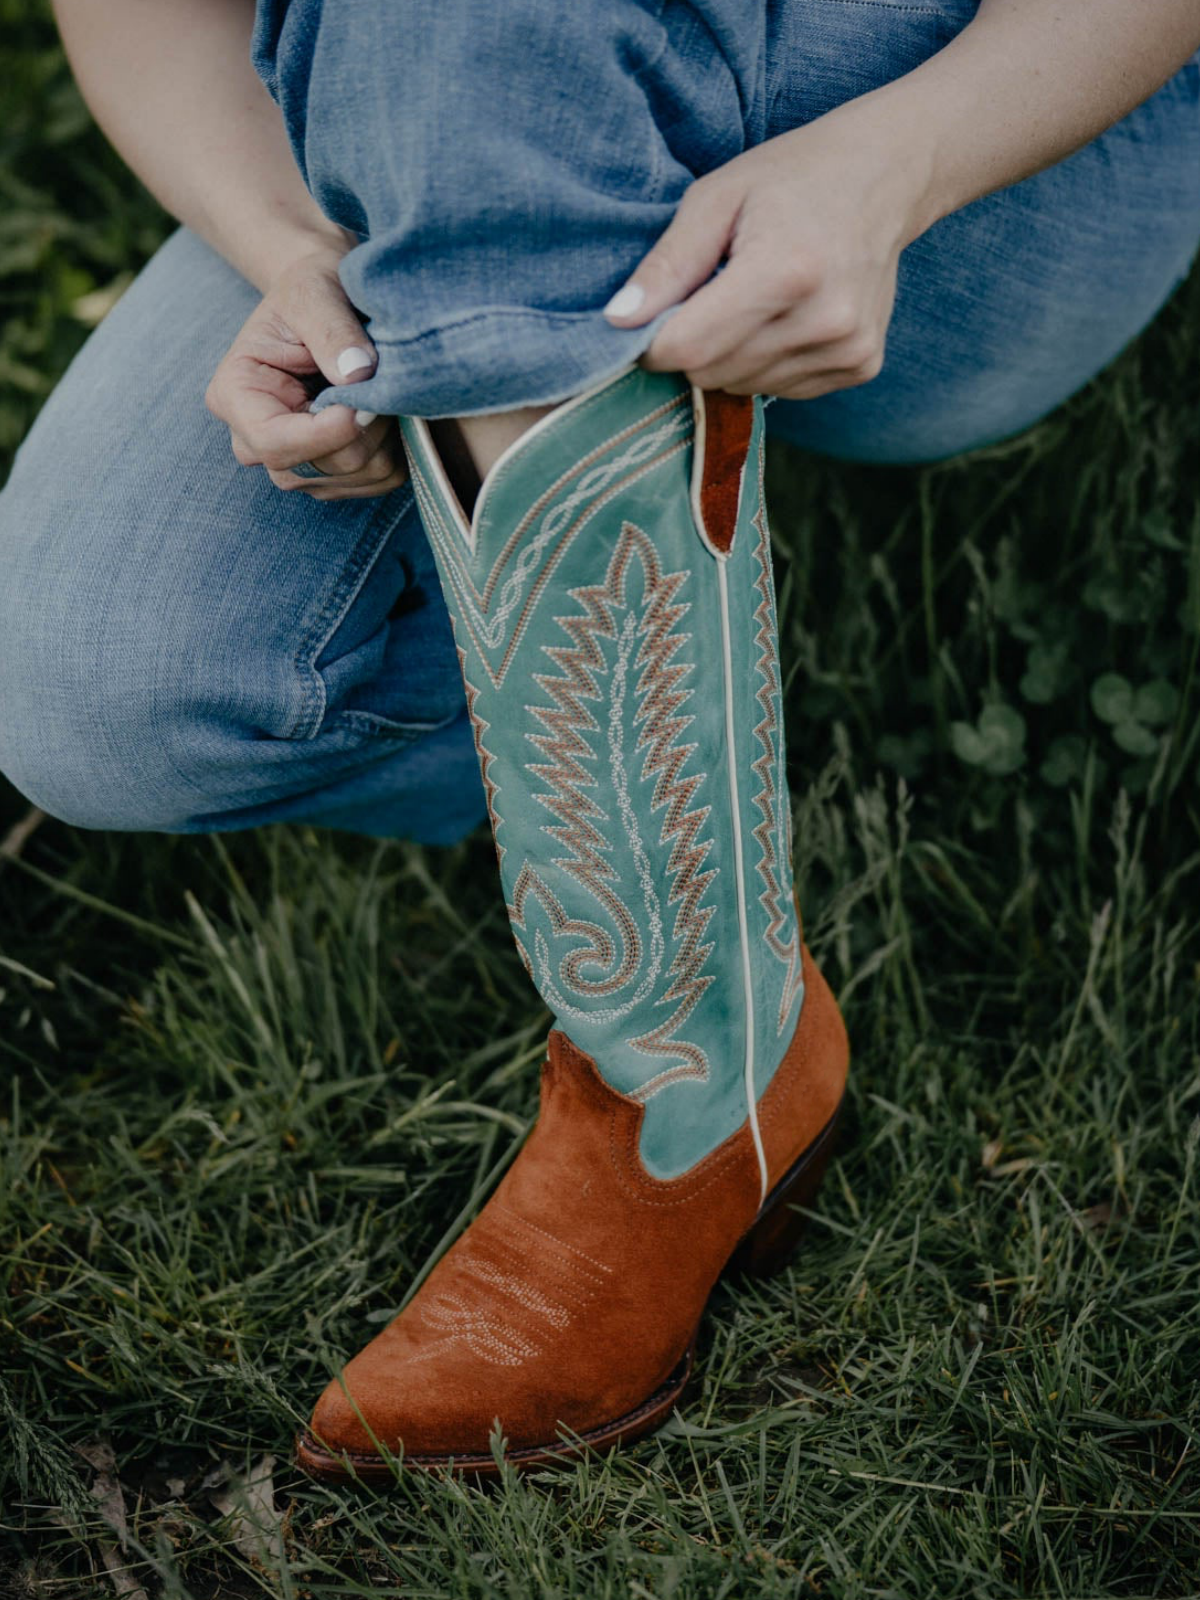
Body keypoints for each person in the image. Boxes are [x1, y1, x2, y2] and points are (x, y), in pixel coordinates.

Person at [1, 0, 1197, 1479]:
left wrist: (891, 163)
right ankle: (585, 461)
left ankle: (680, 1077)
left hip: (977, 97)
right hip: (444, 95)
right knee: (104, 693)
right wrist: (310, 259)